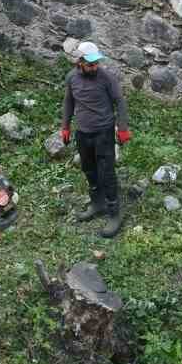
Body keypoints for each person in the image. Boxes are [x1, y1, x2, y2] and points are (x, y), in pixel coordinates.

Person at [60, 41, 131, 238]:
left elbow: (120, 102)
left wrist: (122, 128)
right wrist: (65, 126)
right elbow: (68, 102)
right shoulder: (71, 78)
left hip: (104, 133)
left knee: (106, 172)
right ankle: (97, 203)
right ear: (79, 62)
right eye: (90, 64)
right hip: (83, 133)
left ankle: (114, 213)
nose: (95, 67)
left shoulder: (106, 78)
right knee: (89, 169)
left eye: (96, 63)